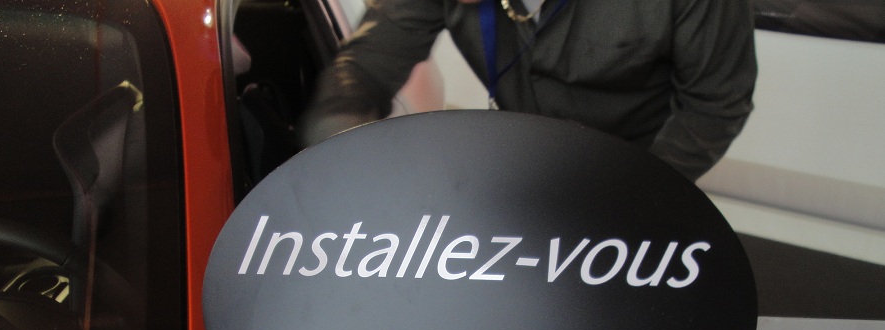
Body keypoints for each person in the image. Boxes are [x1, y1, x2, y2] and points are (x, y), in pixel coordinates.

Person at [299, 0, 758, 180]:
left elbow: (715, 105)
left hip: (637, 181)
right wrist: (335, 163)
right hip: (520, 181)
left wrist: (638, 196)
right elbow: (365, 68)